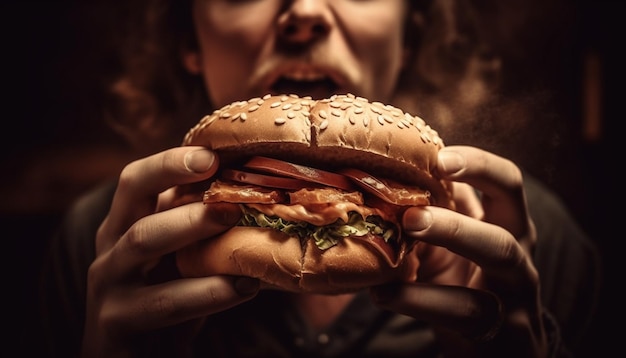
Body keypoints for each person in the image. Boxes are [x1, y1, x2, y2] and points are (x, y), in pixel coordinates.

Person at [37, 0, 601, 357]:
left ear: (408, 37)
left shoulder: (530, 243)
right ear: (190, 43)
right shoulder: (104, 243)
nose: (304, 11)